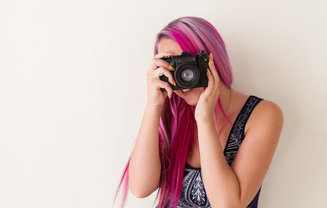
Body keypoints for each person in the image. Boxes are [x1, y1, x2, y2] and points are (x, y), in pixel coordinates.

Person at [113, 16, 283, 208]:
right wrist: (153, 105)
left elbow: (228, 204)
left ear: (210, 59)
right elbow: (140, 187)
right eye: (171, 64)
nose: (182, 74)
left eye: (187, 62)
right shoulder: (173, 111)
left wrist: (204, 120)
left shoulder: (263, 115)